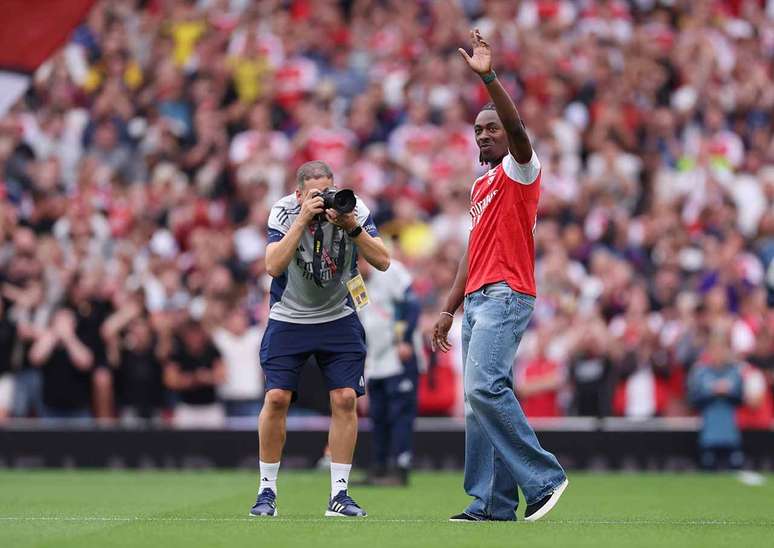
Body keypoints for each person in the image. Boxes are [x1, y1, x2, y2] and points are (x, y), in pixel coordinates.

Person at [432, 29, 568, 523]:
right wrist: (448, 309)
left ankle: (546, 478)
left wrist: (488, 77)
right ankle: (492, 504)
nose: (484, 135)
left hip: (506, 294)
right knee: (478, 403)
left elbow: (519, 132)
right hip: (477, 299)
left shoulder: (520, 170)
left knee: (483, 388)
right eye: (478, 131)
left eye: (491, 128)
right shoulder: (481, 184)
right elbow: (471, 251)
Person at [251, 160, 390, 518]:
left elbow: (384, 261)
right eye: (314, 195)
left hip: (338, 315)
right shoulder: (283, 211)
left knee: (346, 399)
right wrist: (302, 220)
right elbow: (272, 265)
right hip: (289, 316)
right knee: (277, 397)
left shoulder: (352, 207)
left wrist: (352, 227)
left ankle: (340, 495)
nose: (324, 200)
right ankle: (267, 491)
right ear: (298, 194)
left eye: (327, 191)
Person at [358, 255, 423, 485]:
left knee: (400, 413)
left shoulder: (390, 269)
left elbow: (411, 304)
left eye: (359, 261)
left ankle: (400, 467)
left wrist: (404, 339)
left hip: (398, 355)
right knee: (378, 415)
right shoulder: (354, 280)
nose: (357, 267)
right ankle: (380, 467)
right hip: (375, 359)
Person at [688, 328, 745, 471]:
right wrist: (712, 392)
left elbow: (741, 398)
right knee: (708, 469)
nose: (718, 352)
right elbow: (693, 400)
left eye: (721, 348)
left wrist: (727, 392)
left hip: (730, 432)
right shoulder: (701, 372)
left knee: (734, 468)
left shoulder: (734, 371)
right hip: (708, 432)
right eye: (715, 348)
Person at [29, 308, 94, 419]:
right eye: (59, 322)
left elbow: (85, 363)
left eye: (66, 322)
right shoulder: (47, 340)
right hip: (50, 410)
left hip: (78, 411)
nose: (62, 326)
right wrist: (53, 336)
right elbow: (35, 358)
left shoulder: (82, 338)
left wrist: (69, 338)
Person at [163, 318, 226, 428]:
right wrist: (193, 379)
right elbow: (170, 380)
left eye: (197, 334)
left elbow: (222, 376)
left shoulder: (212, 351)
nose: (194, 338)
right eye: (190, 334)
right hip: (186, 408)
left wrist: (206, 377)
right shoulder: (177, 353)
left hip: (210, 408)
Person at [211, 306, 264, 418]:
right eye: (233, 318)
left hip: (251, 397)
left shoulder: (256, 336)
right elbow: (206, 323)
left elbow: (268, 321)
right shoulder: (220, 338)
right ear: (227, 321)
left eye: (241, 317)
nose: (237, 321)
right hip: (227, 397)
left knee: (253, 434)